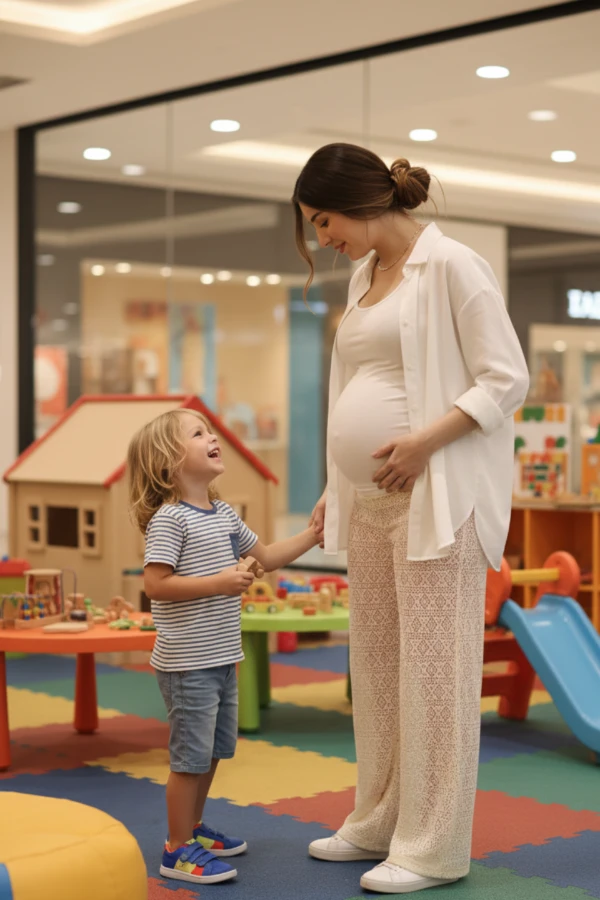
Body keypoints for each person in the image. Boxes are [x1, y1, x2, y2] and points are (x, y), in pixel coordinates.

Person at [292, 143, 529, 895]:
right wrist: (336, 483)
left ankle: (432, 848)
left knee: (436, 674)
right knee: (377, 667)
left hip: (437, 499)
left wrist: (425, 442)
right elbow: (356, 383)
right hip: (369, 501)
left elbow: (507, 378)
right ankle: (378, 819)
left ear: (360, 201)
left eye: (323, 220)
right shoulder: (365, 275)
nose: (323, 238)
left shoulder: (453, 264)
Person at [127, 407, 318, 886]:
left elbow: (267, 556)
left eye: (210, 431)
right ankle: (176, 850)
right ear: (168, 461)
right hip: (187, 663)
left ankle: (191, 827)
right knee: (188, 760)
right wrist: (218, 582)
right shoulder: (170, 520)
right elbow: (156, 585)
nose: (213, 437)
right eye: (198, 433)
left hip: (222, 657)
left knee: (212, 752)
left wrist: (314, 535)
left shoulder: (224, 514)